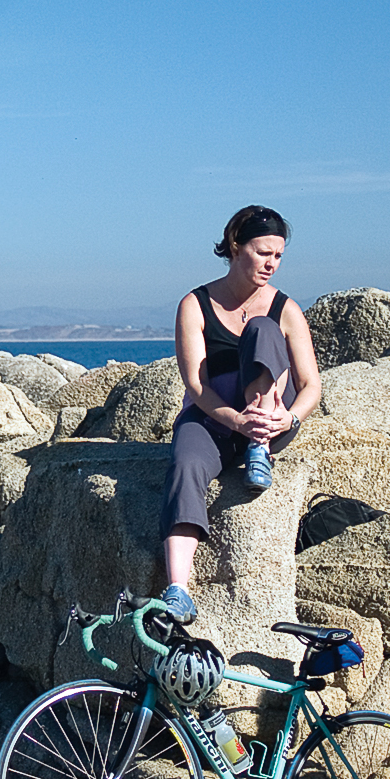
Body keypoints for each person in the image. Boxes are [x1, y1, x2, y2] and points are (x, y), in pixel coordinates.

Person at [157, 205, 323, 619]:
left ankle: (258, 449)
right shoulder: (195, 305)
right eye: (263, 252)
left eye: (279, 255)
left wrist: (290, 419)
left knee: (262, 329)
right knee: (185, 465)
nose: (272, 264)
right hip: (212, 418)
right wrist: (234, 420)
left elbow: (311, 386)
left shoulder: (285, 308)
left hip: (270, 423)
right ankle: (178, 589)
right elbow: (196, 386)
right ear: (235, 246)